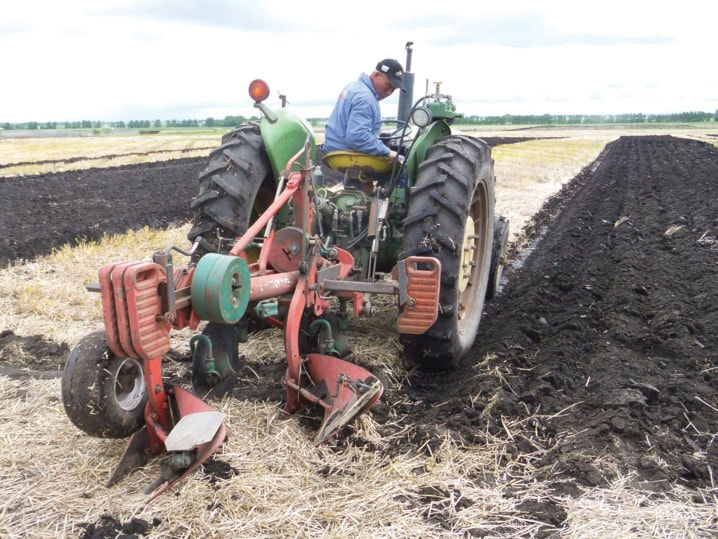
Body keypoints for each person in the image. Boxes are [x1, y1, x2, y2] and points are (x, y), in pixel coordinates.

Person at [321, 58, 406, 164]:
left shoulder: (354, 87)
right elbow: (357, 137)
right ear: (376, 76)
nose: (389, 92)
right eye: (388, 85)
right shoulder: (366, 98)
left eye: (393, 90)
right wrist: (388, 152)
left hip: (334, 148)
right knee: (402, 166)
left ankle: (360, 180)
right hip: (346, 153)